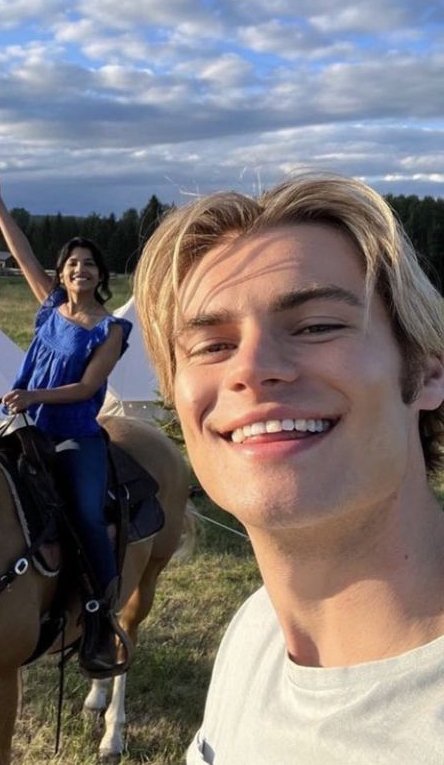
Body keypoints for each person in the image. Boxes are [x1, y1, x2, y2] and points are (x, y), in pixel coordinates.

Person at [133, 174, 444, 764]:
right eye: (211, 346)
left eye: (317, 326)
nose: (251, 369)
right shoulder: (255, 636)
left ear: (428, 372)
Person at [0, 174, 132, 676]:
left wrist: (33, 395)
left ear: (99, 275)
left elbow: (87, 389)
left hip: (73, 433)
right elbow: (21, 254)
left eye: (88, 264)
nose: (79, 269)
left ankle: (101, 616)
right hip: (26, 424)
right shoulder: (49, 307)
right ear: (62, 274)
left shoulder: (110, 330)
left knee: (86, 515)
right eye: (71, 263)